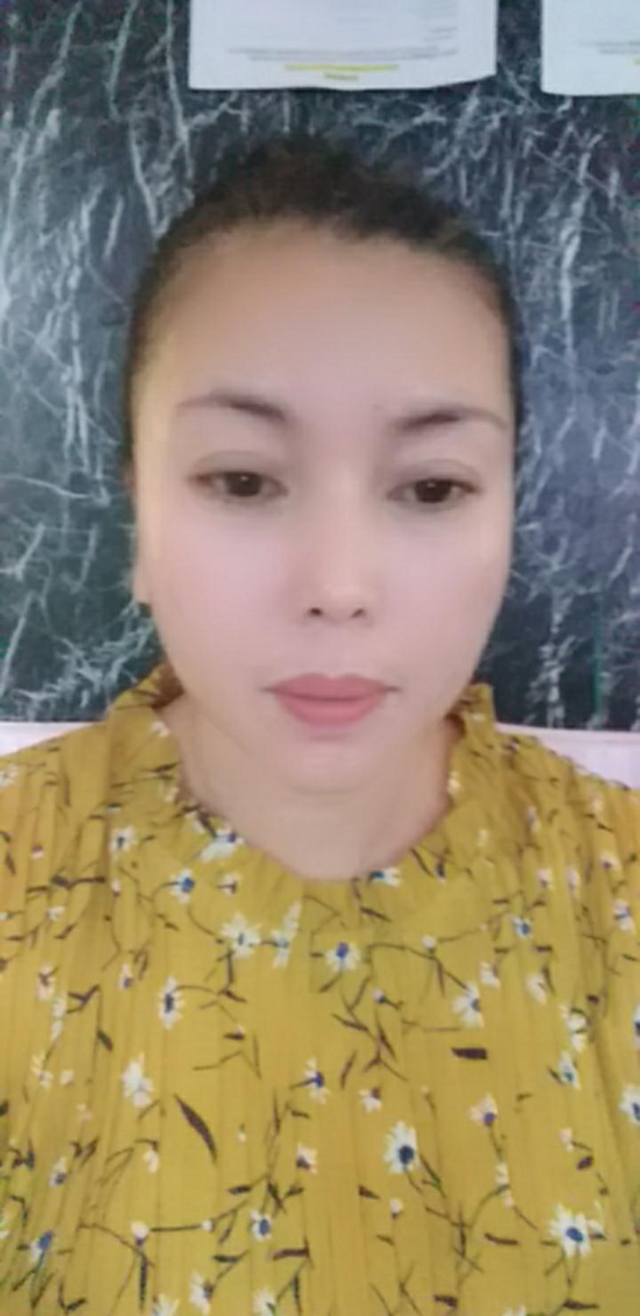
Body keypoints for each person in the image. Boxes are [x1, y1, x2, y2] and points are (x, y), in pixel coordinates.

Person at [0, 134, 638, 1315]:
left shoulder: (623, 890)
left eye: (431, 486)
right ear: (136, 514)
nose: (338, 585)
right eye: (243, 480)